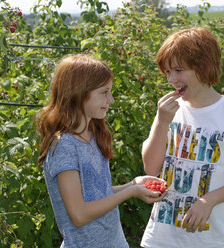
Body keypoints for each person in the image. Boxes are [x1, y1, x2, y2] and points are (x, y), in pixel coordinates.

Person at [140, 27, 224, 248]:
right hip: (163, 238)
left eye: (178, 70)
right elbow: (150, 168)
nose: (171, 79)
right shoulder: (168, 112)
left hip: (213, 239)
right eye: (167, 72)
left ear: (203, 66)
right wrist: (161, 122)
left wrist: (208, 201)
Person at [35, 55, 166, 248]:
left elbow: (96, 194)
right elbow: (79, 215)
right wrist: (130, 192)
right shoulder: (64, 147)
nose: (111, 100)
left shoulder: (93, 135)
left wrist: (133, 184)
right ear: (78, 92)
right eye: (104, 92)